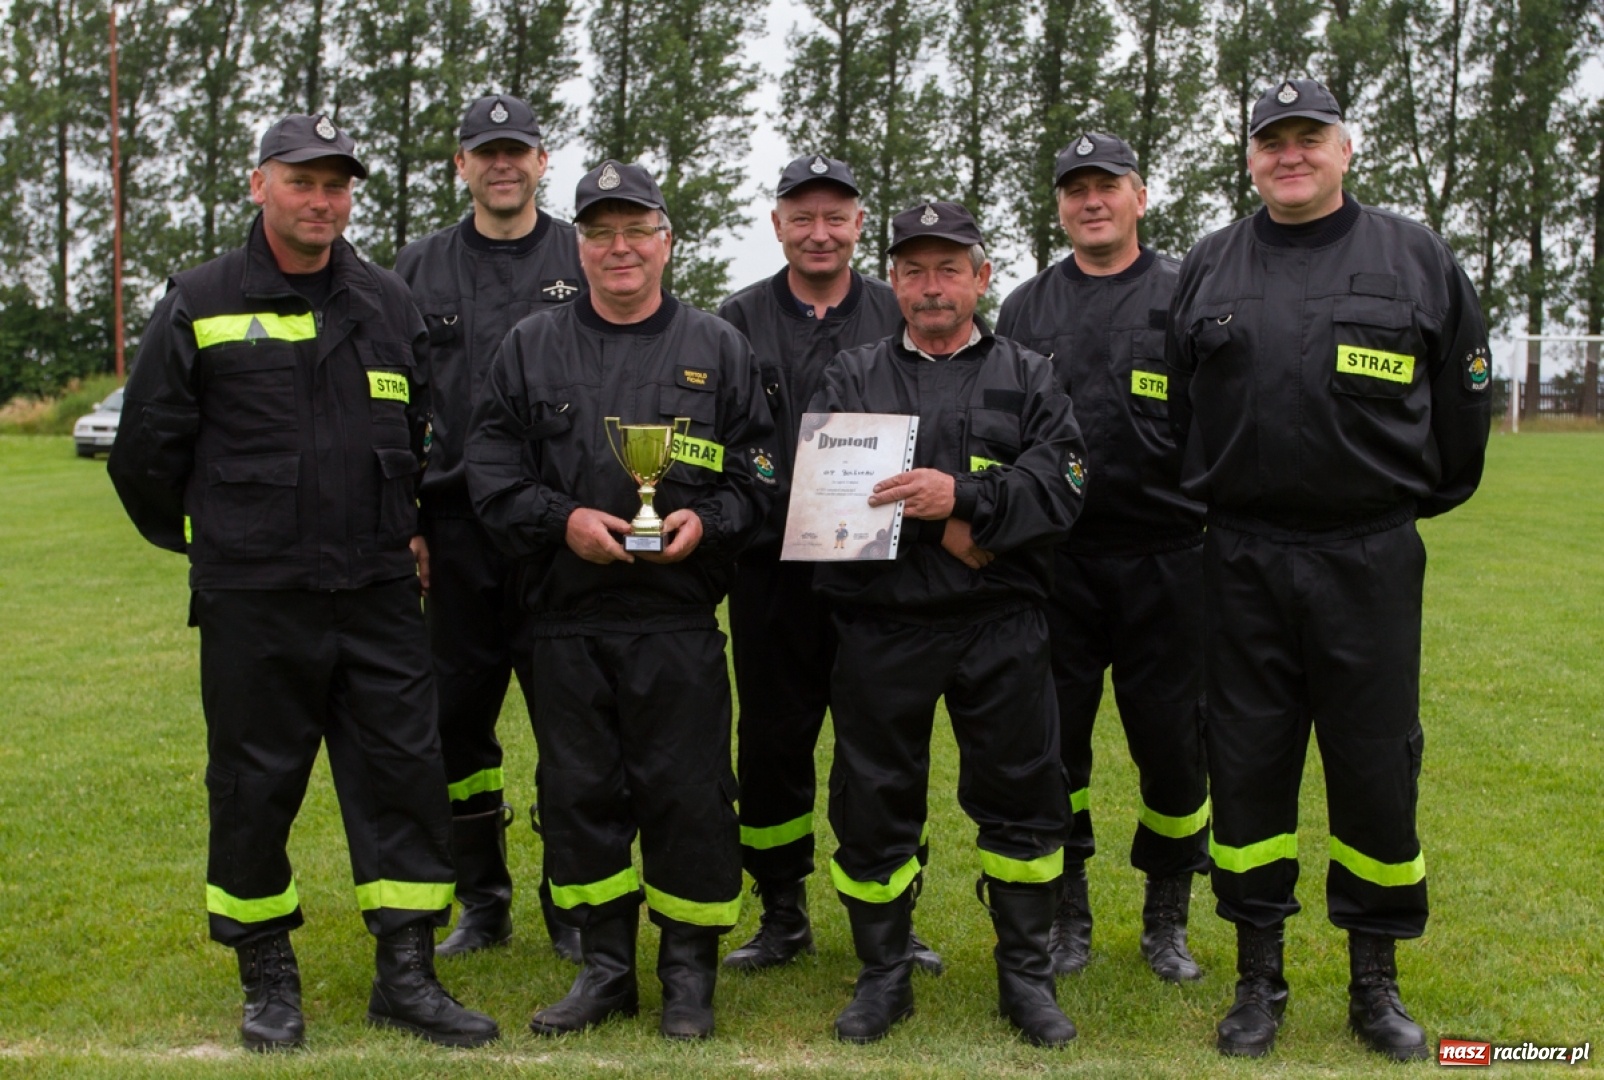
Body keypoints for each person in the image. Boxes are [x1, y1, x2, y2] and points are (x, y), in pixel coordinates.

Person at [108, 114, 498, 1051]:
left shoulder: (390, 303)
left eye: (336, 184)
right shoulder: (199, 299)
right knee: (255, 785)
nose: (321, 200)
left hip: (375, 594)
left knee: (405, 777)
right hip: (257, 598)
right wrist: (222, 545)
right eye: (301, 181)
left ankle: (406, 972)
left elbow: (420, 442)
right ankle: (266, 977)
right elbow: (144, 456)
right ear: (259, 186)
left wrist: (404, 528)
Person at [1165, 79, 1492, 1060]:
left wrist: (1385, 508)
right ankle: (1256, 977)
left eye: (1308, 138)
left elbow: (1461, 413)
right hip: (1240, 557)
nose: (1288, 155)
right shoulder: (1209, 265)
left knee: (1373, 768)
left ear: (1345, 149)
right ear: (1250, 157)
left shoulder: (1414, 257)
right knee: (1247, 764)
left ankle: (1372, 981)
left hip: (1367, 558)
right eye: (1270, 142)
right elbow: (1180, 412)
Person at [465, 160, 777, 1040]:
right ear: (580, 246)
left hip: (676, 621)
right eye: (600, 233)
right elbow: (489, 473)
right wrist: (561, 521)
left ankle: (687, 974)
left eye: (637, 230)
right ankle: (606, 968)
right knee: (578, 796)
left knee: (687, 795)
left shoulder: (718, 347)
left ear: (667, 242)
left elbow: (760, 474)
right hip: (564, 619)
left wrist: (704, 524)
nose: (620, 248)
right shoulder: (530, 346)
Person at [809, 201, 1086, 1047]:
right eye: (915, 270)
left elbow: (1062, 490)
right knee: (873, 804)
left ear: (981, 277)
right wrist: (952, 525)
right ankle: (882, 978)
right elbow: (830, 500)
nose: (932, 288)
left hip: (1000, 623)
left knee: (1025, 803)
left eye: (949, 269)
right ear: (892, 280)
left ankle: (1025, 980)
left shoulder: (1030, 375)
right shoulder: (851, 377)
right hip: (882, 625)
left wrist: (965, 499)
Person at [716, 153, 939, 975]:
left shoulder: (898, 309)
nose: (819, 232)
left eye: (835, 217)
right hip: (772, 575)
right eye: (801, 217)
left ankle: (893, 913)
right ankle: (781, 912)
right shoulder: (734, 320)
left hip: (882, 575)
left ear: (857, 224)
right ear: (776, 223)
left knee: (882, 745)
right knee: (774, 742)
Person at [996, 132, 1209, 983]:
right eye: (1074, 189)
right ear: (1059, 205)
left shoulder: (1186, 294)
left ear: (1140, 197)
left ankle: (1167, 915)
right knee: (1056, 749)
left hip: (1170, 560)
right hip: (1057, 565)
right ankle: (1068, 911)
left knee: (1174, 749)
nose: (1091, 201)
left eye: (1107, 186)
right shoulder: (1024, 307)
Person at [394, 94, 583, 963]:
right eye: (485, 153)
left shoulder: (582, 255)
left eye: (518, 152)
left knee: (573, 726)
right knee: (456, 727)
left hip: (562, 536)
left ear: (544, 162)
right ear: (460, 165)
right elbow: (392, 404)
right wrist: (410, 521)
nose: (502, 166)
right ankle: (484, 901)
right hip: (458, 531)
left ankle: (574, 903)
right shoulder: (417, 268)